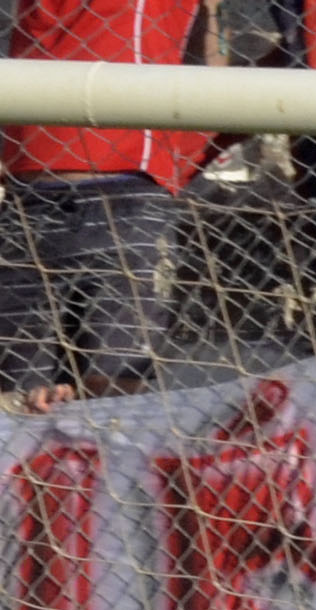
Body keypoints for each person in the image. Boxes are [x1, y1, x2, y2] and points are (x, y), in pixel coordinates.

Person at [0, 0, 210, 406]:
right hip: (27, 198)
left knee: (111, 391)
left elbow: (203, 57)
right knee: (17, 396)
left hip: (121, 193)